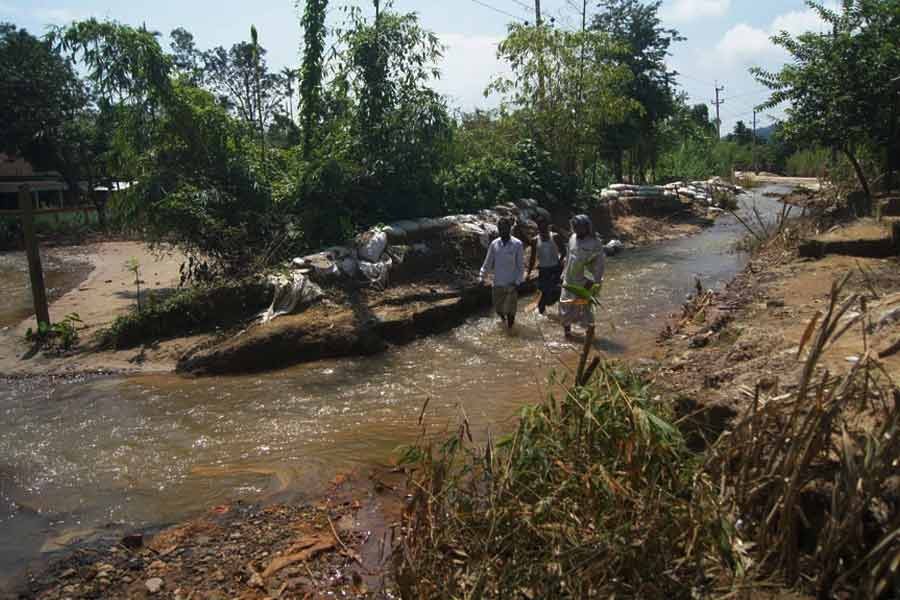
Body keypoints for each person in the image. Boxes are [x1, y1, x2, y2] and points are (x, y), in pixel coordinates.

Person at [559, 214, 606, 338]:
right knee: (565, 305)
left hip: (585, 282)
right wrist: (563, 273)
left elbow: (599, 265)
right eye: (574, 226)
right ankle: (567, 334)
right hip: (569, 279)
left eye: (579, 226)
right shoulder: (572, 238)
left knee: (586, 310)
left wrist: (594, 282)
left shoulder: (595, 243)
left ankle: (589, 337)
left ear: (586, 227)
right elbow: (568, 257)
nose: (576, 229)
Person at [479, 217, 525, 329]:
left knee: (510, 311)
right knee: (499, 309)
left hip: (511, 285)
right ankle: (503, 321)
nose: (502, 231)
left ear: (509, 228)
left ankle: (510, 331)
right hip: (497, 283)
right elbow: (488, 262)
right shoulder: (494, 244)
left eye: (505, 228)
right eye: (500, 229)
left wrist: (518, 282)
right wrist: (482, 277)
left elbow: (520, 266)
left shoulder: (517, 244)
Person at [527, 217, 567, 314]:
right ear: (538, 228)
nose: (543, 230)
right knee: (544, 294)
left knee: (557, 292)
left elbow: (564, 251)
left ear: (548, 227)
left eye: (545, 227)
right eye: (541, 228)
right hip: (543, 271)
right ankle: (542, 314)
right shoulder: (535, 240)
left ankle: (561, 313)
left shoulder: (555, 237)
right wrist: (528, 273)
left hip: (556, 269)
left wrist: (560, 262)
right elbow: (532, 258)